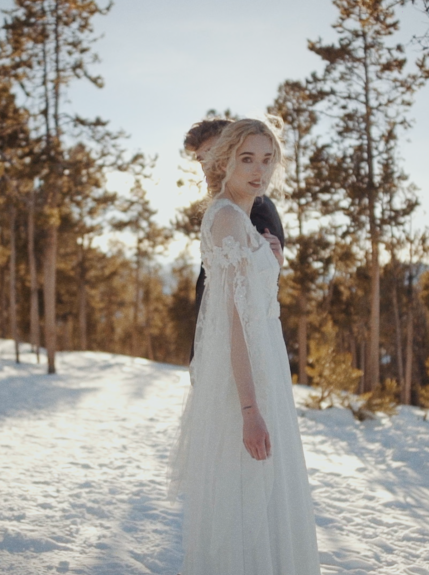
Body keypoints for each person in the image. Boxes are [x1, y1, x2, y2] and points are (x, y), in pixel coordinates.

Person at [169, 118, 320, 575]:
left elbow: (249, 288)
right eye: (247, 159)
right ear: (227, 159)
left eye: (267, 159)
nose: (259, 170)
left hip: (264, 360)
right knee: (247, 492)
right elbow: (231, 318)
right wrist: (250, 408)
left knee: (266, 488)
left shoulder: (243, 213)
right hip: (247, 370)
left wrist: (268, 256)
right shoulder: (229, 217)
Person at [183, 118, 285, 362]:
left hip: (242, 354)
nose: (209, 165)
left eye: (214, 153)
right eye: (201, 159)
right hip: (219, 347)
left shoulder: (256, 208)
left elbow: (248, 294)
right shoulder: (226, 209)